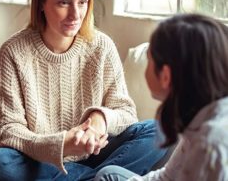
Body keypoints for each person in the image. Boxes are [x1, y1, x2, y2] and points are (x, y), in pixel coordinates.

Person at [0, 0, 166, 181]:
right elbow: (8, 129)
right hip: (44, 160)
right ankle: (100, 178)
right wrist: (63, 146)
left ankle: (95, 175)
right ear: (41, 2)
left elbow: (126, 112)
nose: (76, 14)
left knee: (160, 129)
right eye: (63, 2)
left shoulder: (102, 46)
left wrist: (100, 119)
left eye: (83, 2)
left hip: (97, 152)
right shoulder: (14, 51)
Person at [94, 13, 228, 181]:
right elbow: (168, 177)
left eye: (149, 59)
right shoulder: (198, 119)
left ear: (165, 76)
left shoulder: (210, 145)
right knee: (108, 175)